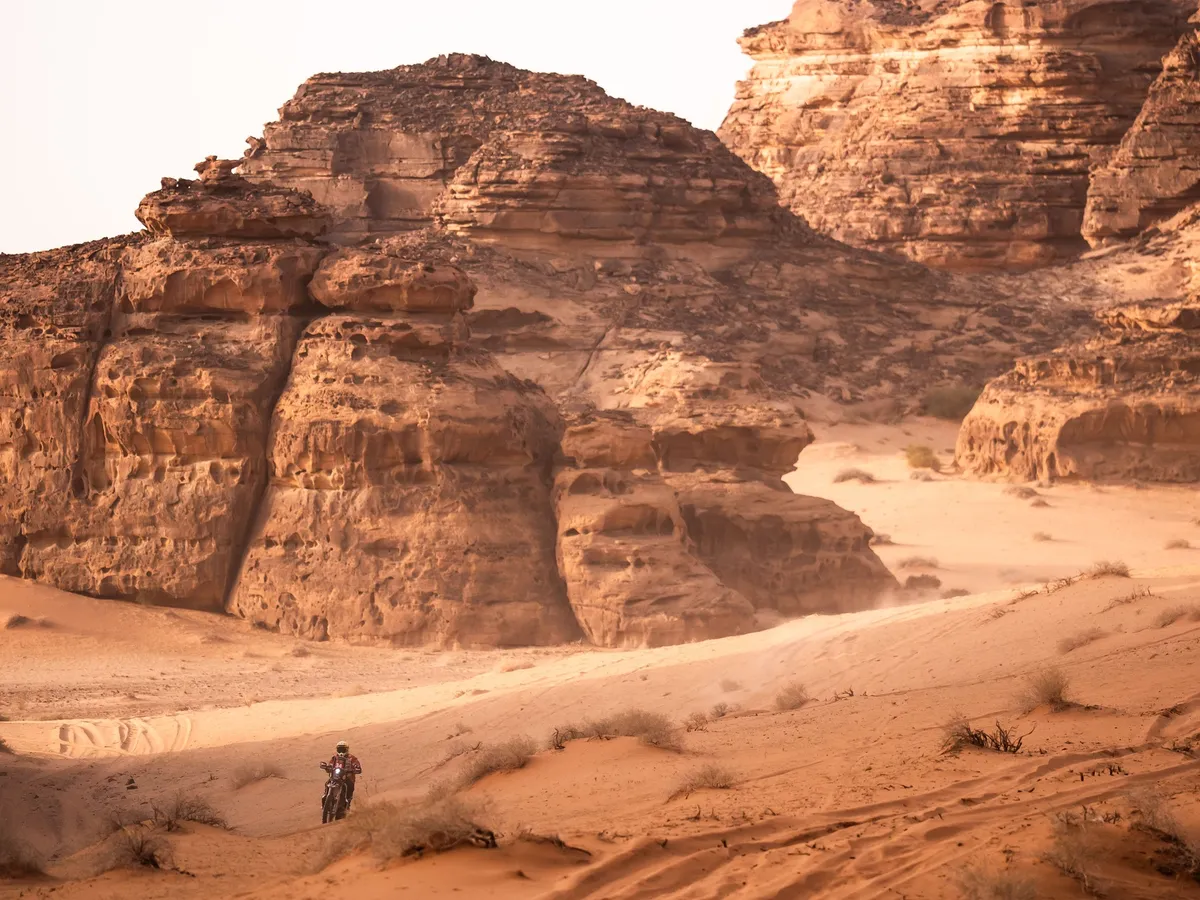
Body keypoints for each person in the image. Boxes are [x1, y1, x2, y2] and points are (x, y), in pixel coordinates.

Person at [320, 740, 363, 809]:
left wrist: (355, 769)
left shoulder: (352, 758)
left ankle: (347, 802)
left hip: (347, 777)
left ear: (347, 749)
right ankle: (325, 797)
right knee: (327, 783)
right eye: (340, 749)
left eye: (343, 749)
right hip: (335, 777)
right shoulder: (334, 758)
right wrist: (326, 767)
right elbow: (330, 765)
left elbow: (357, 766)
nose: (341, 751)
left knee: (350, 786)